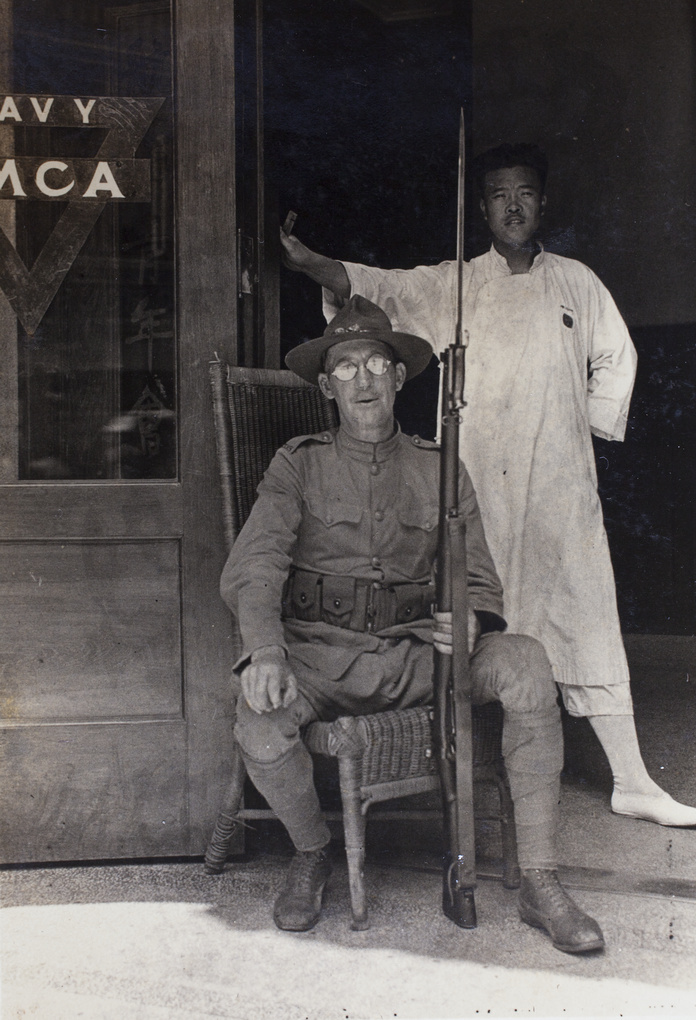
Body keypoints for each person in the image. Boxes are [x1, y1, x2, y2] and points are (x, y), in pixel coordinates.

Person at [279, 143, 696, 829]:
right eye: (499, 194)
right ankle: (480, 771)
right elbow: (375, 285)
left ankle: (633, 780)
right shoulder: (456, 285)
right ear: (482, 208)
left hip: (561, 486)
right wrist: (308, 262)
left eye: (525, 192)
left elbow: (617, 354)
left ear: (542, 202)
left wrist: (583, 424)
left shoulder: (576, 283)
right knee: (488, 620)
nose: (513, 205)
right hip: (483, 485)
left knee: (586, 615)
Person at [220, 293, 604, 954]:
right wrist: (265, 651)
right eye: (346, 367)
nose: (363, 378)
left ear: (399, 379)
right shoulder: (298, 464)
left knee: (529, 664)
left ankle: (542, 882)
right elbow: (254, 567)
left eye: (377, 363)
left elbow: (481, 576)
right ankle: (313, 853)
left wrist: (475, 620)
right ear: (326, 385)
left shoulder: (439, 467)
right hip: (322, 658)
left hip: (418, 657)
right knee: (258, 720)